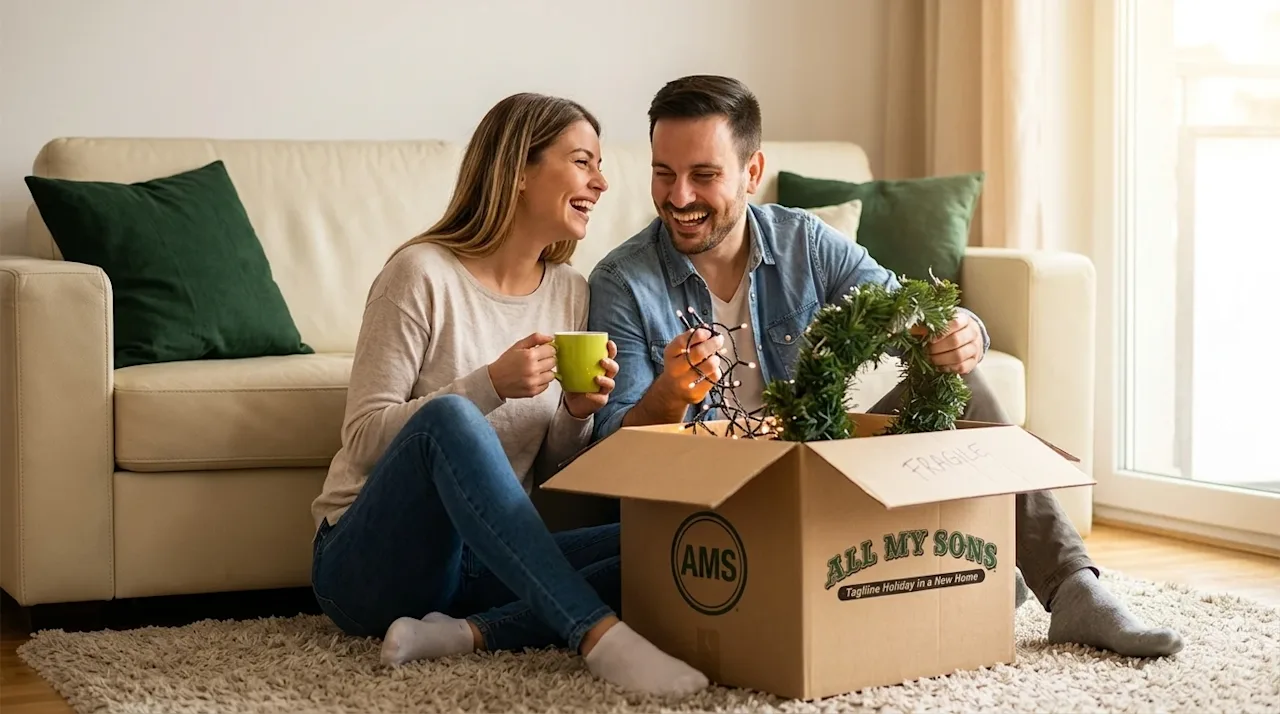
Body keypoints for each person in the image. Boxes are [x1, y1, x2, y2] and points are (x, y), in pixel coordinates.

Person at [586, 74, 1184, 659]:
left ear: (752, 172)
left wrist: (963, 333)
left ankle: (1075, 587)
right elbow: (613, 458)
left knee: (956, 379)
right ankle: (976, 569)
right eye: (664, 174)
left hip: (818, 467)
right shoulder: (622, 281)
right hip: (714, 508)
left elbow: (908, 310)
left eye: (704, 175)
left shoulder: (806, 242)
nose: (679, 197)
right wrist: (669, 394)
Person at [309, 92, 709, 698]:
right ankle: (602, 639)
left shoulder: (571, 292)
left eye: (599, 166)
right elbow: (363, 440)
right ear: (519, 170)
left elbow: (545, 472)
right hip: (367, 567)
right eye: (582, 162)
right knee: (450, 416)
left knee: (682, 542)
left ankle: (464, 635)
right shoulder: (419, 274)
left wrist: (576, 412)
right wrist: (488, 386)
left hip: (483, 564)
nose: (601, 182)